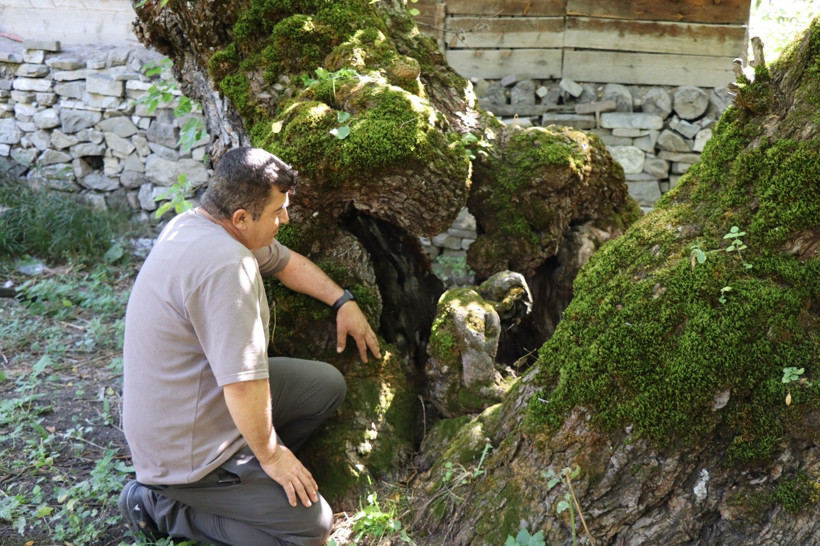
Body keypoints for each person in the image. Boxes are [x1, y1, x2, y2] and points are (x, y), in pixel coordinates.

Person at [118, 147, 381, 545]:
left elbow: (285, 262)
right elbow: (243, 384)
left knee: (324, 386)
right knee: (312, 528)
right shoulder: (227, 265)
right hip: (186, 451)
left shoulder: (197, 226)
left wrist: (343, 301)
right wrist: (271, 455)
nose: (285, 219)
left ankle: (249, 478)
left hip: (197, 401)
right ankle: (161, 507)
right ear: (241, 218)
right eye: (278, 212)